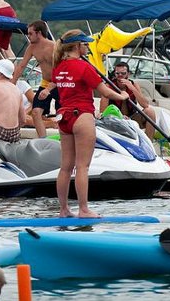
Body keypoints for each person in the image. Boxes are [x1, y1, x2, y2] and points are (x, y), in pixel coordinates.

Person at [51, 30, 129, 218]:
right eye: (85, 44)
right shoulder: (85, 67)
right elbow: (106, 92)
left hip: (64, 117)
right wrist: (123, 96)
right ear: (77, 46)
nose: (87, 47)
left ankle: (63, 209)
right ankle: (84, 209)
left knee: (65, 167)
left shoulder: (59, 67)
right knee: (82, 167)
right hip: (82, 116)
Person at [13, 20, 59, 138]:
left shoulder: (54, 47)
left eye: (30, 33)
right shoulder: (32, 48)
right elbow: (22, 66)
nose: (28, 36)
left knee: (62, 113)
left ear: (39, 33)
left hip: (58, 83)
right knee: (36, 112)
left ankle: (62, 137)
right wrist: (12, 84)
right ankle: (43, 139)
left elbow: (61, 71)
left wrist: (49, 89)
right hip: (45, 83)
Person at [99, 62, 156, 140]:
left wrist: (132, 88)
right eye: (117, 73)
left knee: (150, 111)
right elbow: (102, 111)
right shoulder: (109, 86)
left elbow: (145, 105)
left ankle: (148, 141)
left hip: (131, 118)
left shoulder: (134, 85)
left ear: (128, 74)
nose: (120, 76)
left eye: (123, 73)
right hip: (115, 119)